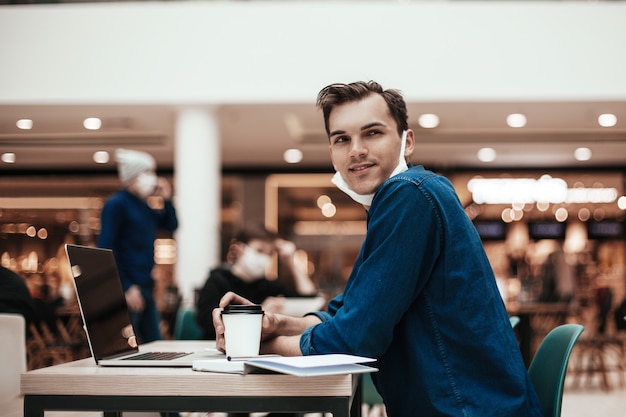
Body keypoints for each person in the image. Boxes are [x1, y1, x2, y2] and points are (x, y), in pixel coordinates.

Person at [213, 81, 543, 416]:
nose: (355, 149)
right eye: (342, 139)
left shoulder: (410, 196)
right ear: (332, 154)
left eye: (372, 133)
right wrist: (271, 323)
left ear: (406, 141)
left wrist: (261, 346)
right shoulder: (407, 199)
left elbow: (354, 338)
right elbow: (346, 314)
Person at [98, 148, 178, 344]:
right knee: (119, 345)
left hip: (145, 286)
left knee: (155, 344)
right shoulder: (116, 204)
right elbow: (105, 248)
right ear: (133, 175)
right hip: (128, 288)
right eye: (147, 172)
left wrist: (167, 199)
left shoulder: (144, 206)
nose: (153, 178)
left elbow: (171, 225)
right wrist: (125, 286)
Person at [196, 225, 317, 340]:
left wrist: (290, 260)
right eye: (259, 250)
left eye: (269, 254)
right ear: (239, 249)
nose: (265, 258)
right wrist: (261, 313)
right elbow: (207, 322)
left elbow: (309, 299)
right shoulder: (218, 281)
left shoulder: (270, 287)